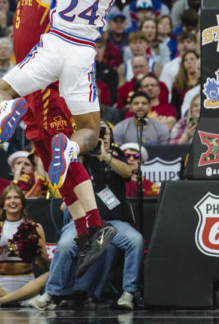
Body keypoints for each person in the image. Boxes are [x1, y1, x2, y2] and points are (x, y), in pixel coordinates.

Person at [0, 0, 146, 271]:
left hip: (51, 55)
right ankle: (76, 176)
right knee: (80, 137)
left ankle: (9, 111)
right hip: (76, 54)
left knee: (1, 93)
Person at [30, 120, 142, 310]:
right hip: (82, 220)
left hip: (114, 222)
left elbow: (127, 172)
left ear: (110, 136)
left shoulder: (116, 155)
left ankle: (128, 293)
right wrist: (82, 150)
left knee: (135, 240)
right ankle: (50, 294)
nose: (101, 136)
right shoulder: (79, 156)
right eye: (97, 132)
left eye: (104, 132)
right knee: (65, 245)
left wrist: (105, 156)